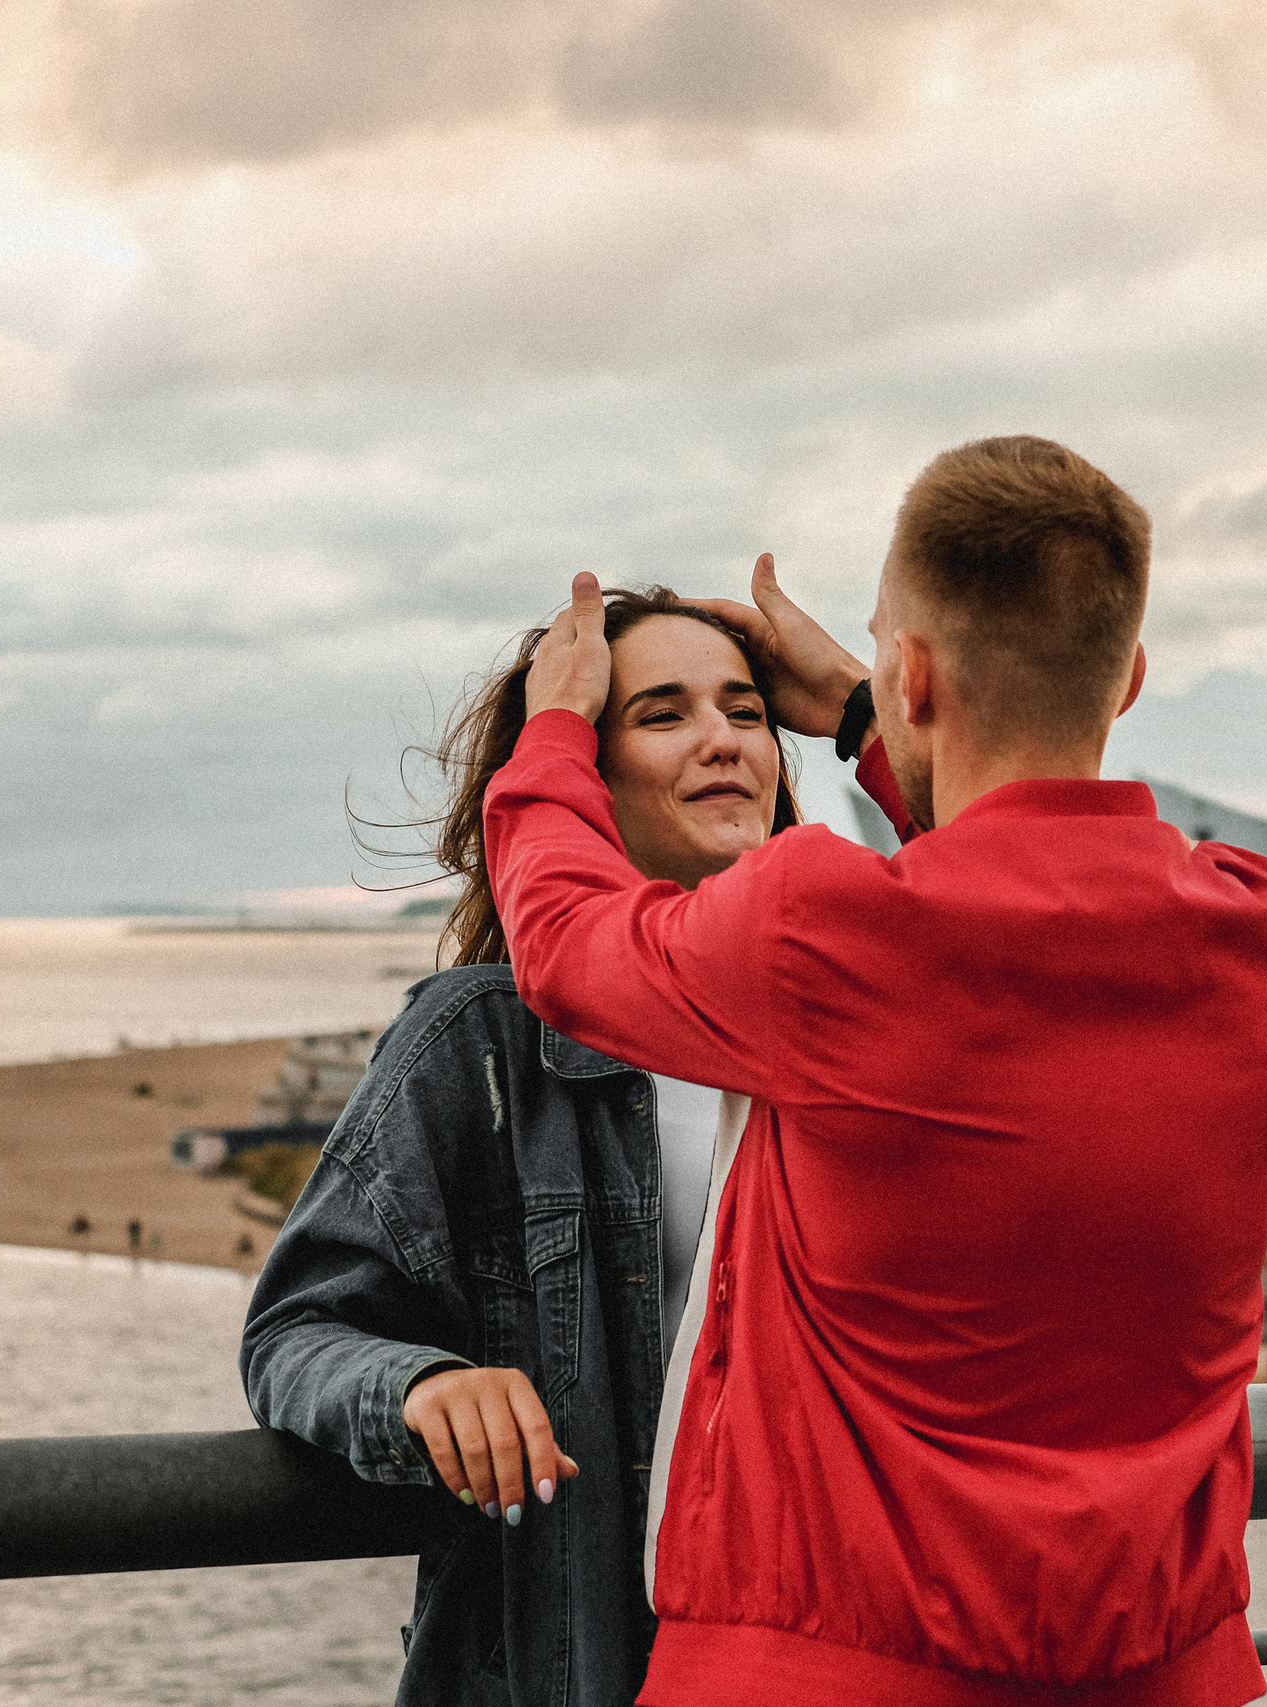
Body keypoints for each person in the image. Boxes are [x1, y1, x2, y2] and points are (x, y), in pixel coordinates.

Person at [485, 436, 1267, 1706]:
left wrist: (556, 727)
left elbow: (563, 943)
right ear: (1131, 677)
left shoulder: (825, 935)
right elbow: (1024, 881)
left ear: (914, 671)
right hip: (1160, 1674)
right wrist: (878, 714)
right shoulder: (1263, 935)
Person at [242, 587, 865, 1707]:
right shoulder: (478, 1044)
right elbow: (296, 1329)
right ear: (578, 772)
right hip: (572, 1669)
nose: (725, 739)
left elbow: (1034, 922)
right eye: (663, 715)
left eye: (745, 711)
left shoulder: (866, 1011)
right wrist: (419, 1388)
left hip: (826, 1660)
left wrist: (868, 714)